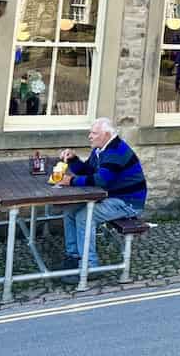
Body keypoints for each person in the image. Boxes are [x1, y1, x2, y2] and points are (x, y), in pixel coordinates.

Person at [55, 117, 148, 281]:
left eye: (94, 133)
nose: (89, 136)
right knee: (70, 209)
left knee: (84, 216)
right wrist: (73, 159)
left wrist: (71, 181)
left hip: (128, 202)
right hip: (111, 196)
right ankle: (74, 256)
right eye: (90, 132)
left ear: (106, 134)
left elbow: (101, 180)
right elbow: (89, 171)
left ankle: (90, 267)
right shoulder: (100, 149)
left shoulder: (116, 152)